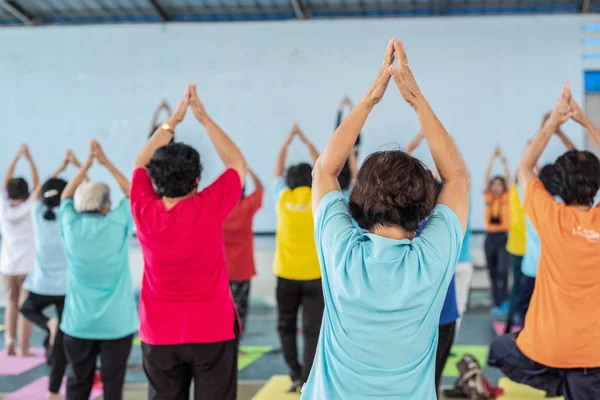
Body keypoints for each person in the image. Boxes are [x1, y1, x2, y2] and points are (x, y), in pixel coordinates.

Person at [302, 38, 469, 399]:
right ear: (426, 205)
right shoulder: (432, 259)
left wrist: (370, 100)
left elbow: (325, 171)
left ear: (359, 198)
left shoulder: (341, 253)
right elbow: (457, 176)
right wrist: (415, 99)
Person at [131, 85, 247, 400]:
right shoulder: (208, 206)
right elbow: (236, 164)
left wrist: (172, 122)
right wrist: (203, 118)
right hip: (212, 330)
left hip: (158, 334)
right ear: (197, 181)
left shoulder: (143, 208)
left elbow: (139, 164)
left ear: (155, 181)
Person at [488, 83, 600, 399]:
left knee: (499, 350)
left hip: (547, 351)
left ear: (559, 188)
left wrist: (554, 121)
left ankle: (563, 382)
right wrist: (584, 121)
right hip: (593, 356)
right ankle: (571, 383)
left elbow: (524, 166)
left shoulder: (550, 216)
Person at [59, 140, 138, 400]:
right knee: (113, 386)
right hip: (117, 326)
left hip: (78, 325)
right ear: (106, 206)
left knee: (77, 383)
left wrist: (85, 167)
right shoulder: (116, 223)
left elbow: (65, 197)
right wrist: (105, 163)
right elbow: (132, 193)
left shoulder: (70, 227)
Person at [20, 149, 85, 399]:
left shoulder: (38, 215)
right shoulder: (69, 217)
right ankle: (54, 390)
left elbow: (39, 189)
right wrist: (80, 165)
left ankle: (48, 324)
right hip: (67, 288)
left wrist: (59, 167)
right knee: (62, 343)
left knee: (26, 309)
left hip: (42, 285)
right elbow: (81, 192)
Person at [507, 113, 576, 332]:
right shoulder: (565, 203)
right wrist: (558, 130)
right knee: (555, 319)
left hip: (532, 269)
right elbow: (577, 163)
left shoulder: (531, 198)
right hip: (557, 271)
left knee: (527, 316)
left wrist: (546, 127)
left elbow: (526, 165)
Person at [273, 122, 323, 393]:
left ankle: (294, 373)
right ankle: (307, 377)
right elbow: (324, 168)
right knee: (313, 331)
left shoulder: (282, 198)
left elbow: (276, 172)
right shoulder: (319, 198)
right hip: (316, 276)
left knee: (286, 326)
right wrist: (307, 142)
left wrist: (287, 143)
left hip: (286, 275)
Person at [1, 144, 38, 357]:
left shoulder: (3, 206)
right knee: (26, 305)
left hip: (7, 264)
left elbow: (6, 180)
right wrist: (29, 159)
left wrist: (15, 157)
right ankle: (24, 347)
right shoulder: (30, 206)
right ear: (26, 192)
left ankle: (9, 341)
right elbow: (38, 184)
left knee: (11, 302)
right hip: (28, 265)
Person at [223, 169, 264, 339]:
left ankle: (223, 342)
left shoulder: (219, 209)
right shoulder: (246, 206)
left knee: (221, 310)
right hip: (242, 269)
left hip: (220, 270)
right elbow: (260, 188)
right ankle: (236, 344)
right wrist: (248, 170)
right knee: (239, 311)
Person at [483, 145, 511, 318]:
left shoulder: (506, 197)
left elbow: (509, 177)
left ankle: (504, 299)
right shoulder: (488, 196)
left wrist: (503, 159)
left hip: (503, 237)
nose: (497, 187)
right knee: (492, 272)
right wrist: (492, 158)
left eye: (500, 184)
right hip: (490, 238)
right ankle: (496, 301)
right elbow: (486, 177)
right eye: (495, 184)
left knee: (503, 270)